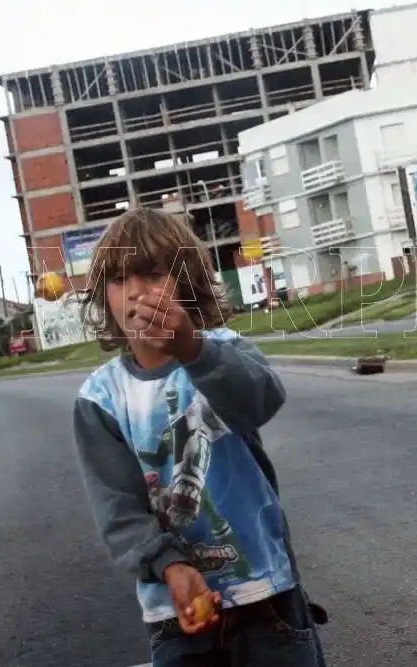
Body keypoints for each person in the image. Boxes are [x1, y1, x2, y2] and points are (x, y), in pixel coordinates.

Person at [70, 207, 327, 667]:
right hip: (175, 607)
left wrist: (192, 347)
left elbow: (261, 402)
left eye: (150, 274)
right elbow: (119, 510)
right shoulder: (101, 398)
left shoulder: (222, 350)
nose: (134, 292)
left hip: (265, 592)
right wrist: (171, 565)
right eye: (117, 280)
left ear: (186, 284)